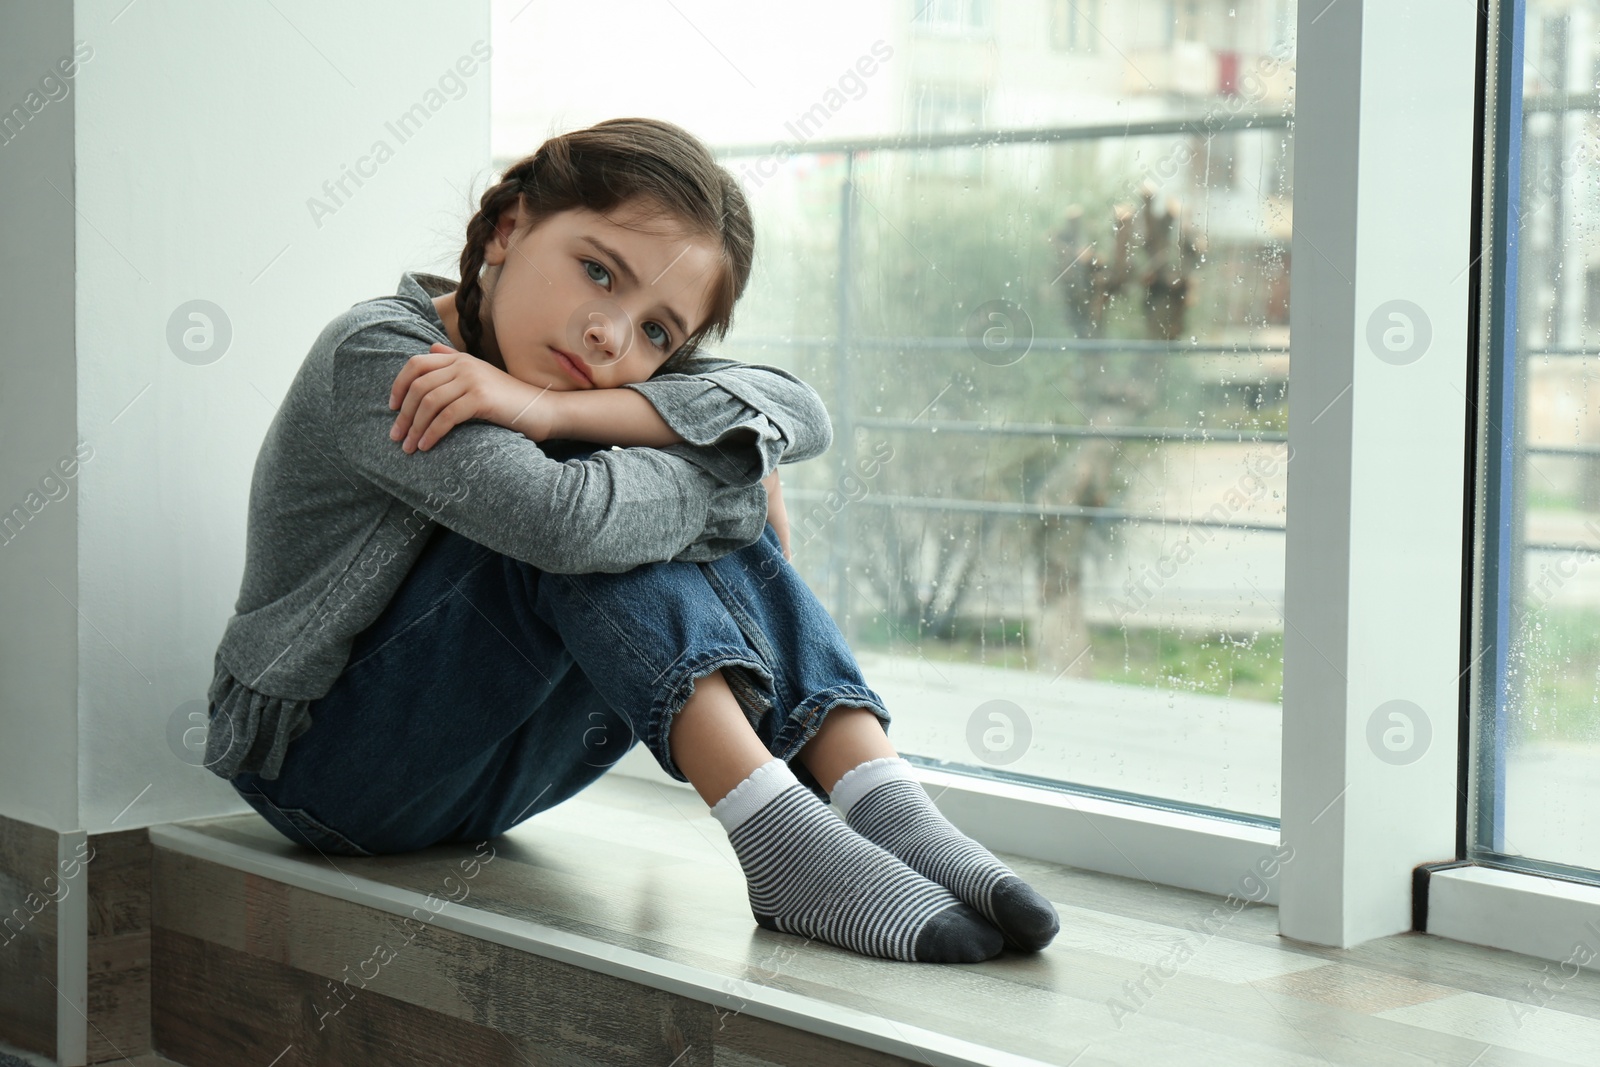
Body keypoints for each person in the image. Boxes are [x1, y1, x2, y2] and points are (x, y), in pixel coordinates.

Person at [206, 116, 1058, 964]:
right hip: (329, 774)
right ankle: (785, 842)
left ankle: (891, 808)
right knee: (634, 485)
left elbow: (798, 410)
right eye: (598, 271)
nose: (610, 334)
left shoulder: (583, 376)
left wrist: (554, 409)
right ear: (509, 228)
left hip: (501, 777)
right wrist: (735, 477)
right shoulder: (383, 355)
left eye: (657, 330)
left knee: (664, 457)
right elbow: (559, 520)